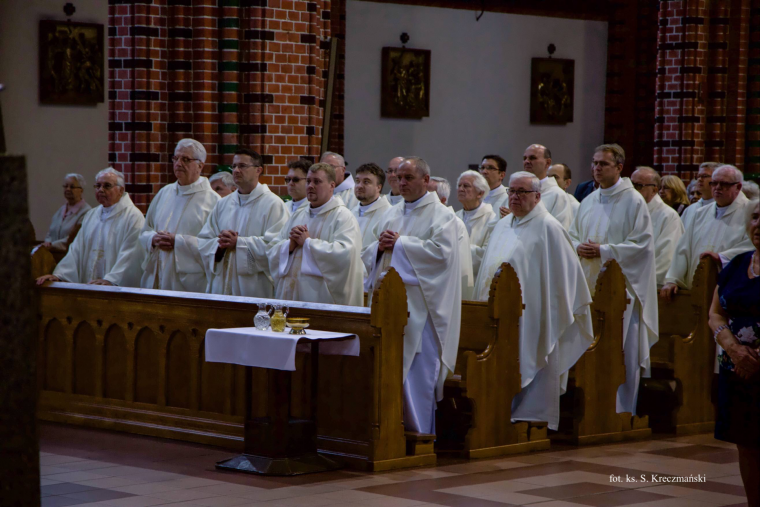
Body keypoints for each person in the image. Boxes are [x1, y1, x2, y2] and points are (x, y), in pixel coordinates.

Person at [475, 171, 593, 431]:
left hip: (535, 313)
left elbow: (566, 277)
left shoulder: (549, 227)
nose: (514, 197)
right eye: (512, 191)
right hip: (501, 314)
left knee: (536, 358)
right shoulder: (504, 224)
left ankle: (533, 420)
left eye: (522, 192)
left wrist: (549, 308)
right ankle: (502, 415)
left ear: (537, 196)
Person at [363, 156, 461, 434]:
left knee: (416, 374)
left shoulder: (443, 216)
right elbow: (369, 252)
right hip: (388, 307)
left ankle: (419, 434)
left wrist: (401, 244)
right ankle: (390, 429)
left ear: (426, 180)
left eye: (408, 178)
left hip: (421, 309)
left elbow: (442, 257)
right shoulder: (391, 213)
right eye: (399, 178)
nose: (402, 183)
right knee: (388, 369)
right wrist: (379, 249)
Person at [568, 143, 658, 416]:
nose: (596, 168)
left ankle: (620, 410)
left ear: (619, 167)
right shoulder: (589, 200)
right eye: (594, 163)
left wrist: (604, 251)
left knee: (622, 351)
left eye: (603, 164)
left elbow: (643, 246)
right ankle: (591, 409)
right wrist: (577, 247)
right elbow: (571, 235)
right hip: (589, 288)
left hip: (622, 293)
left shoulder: (633, 201)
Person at [708, 199, 759, 507]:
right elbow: (716, 312)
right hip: (736, 369)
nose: (758, 224)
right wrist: (734, 349)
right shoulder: (738, 264)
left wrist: (755, 357)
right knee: (746, 443)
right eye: (755, 217)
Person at [268, 163, 364, 306]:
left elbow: (346, 255)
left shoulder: (343, 217)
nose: (310, 186)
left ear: (332, 185)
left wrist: (308, 243)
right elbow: (272, 248)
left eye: (317, 182)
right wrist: (289, 245)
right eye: (308, 181)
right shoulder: (299, 214)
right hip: (290, 296)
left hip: (319, 299)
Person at [197, 148, 289, 297]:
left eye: (242, 166)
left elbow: (278, 247)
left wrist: (239, 243)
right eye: (234, 166)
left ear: (258, 170)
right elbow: (204, 241)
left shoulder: (273, 204)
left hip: (255, 288)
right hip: (222, 284)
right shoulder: (223, 203)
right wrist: (219, 245)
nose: (236, 170)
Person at [36, 167, 145, 287]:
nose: (101, 190)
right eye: (98, 186)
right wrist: (60, 275)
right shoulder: (91, 215)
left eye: (107, 186)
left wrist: (112, 280)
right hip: (89, 287)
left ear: (121, 190)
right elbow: (77, 249)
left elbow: (132, 254)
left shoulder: (132, 217)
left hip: (116, 289)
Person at [139, 139, 220, 292]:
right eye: (175, 158)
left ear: (200, 165)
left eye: (186, 159)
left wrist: (178, 241)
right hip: (158, 274)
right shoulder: (164, 193)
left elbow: (215, 246)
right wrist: (153, 239)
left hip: (190, 283)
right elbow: (145, 231)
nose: (178, 163)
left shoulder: (213, 201)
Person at [662, 165, 753, 299]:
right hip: (695, 290)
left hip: (730, 293)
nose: (717, 188)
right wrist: (673, 279)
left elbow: (751, 247)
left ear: (738, 187)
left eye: (724, 184)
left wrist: (721, 257)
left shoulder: (751, 212)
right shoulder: (700, 213)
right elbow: (684, 247)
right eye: (714, 183)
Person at [631, 166, 684, 288]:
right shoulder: (628, 210)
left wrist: (639, 281)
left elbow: (666, 258)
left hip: (648, 285)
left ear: (654, 190)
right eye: (631, 185)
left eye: (638, 186)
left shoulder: (668, 216)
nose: (632, 190)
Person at [522, 144, 575, 229]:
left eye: (532, 158)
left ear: (548, 163)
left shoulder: (558, 195)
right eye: (525, 158)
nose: (527, 161)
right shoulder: (516, 192)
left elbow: (560, 231)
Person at [455, 170, 495, 279]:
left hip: (477, 278)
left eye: (466, 186)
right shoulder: (454, 216)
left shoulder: (492, 219)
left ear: (480, 193)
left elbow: (487, 255)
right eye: (459, 186)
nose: (460, 189)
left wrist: (456, 247)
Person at [41, 173, 92, 254]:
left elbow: (74, 238)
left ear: (81, 190)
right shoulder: (61, 210)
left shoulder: (86, 212)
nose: (68, 189)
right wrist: (47, 242)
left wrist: (52, 245)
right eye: (65, 186)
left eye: (72, 187)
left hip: (72, 256)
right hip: (53, 254)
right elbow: (50, 233)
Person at [352, 162, 391, 249]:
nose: (359, 186)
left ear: (378, 187)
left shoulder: (388, 214)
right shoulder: (351, 212)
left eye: (366, 182)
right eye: (357, 181)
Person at [681, 161, 721, 229]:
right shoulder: (690, 210)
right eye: (698, 176)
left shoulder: (721, 207)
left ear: (716, 178)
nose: (699, 179)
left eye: (704, 176)